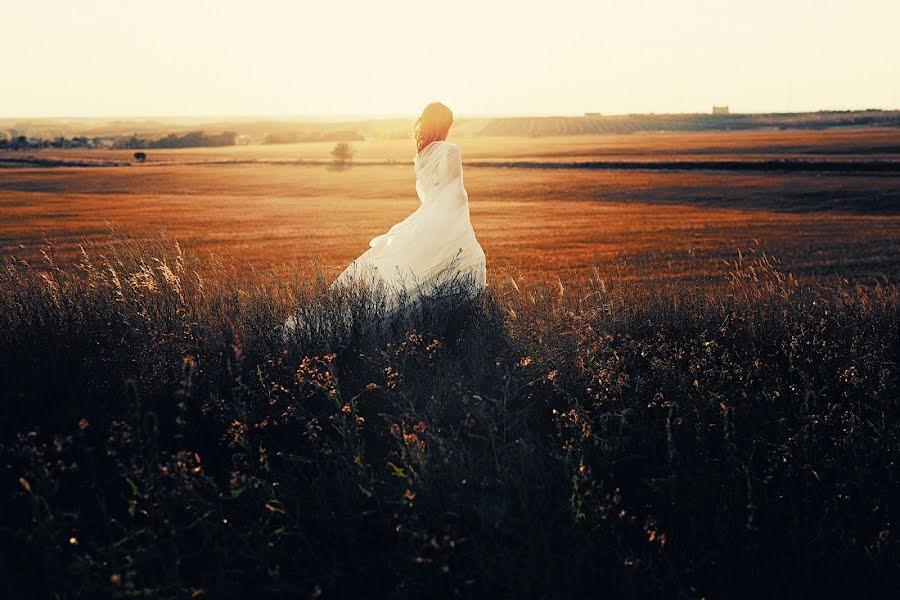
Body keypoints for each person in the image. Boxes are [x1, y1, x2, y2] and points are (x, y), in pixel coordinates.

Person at [283, 102, 486, 338]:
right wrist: (458, 214)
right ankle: (450, 327)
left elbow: (428, 193)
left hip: (430, 213)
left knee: (418, 268)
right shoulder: (450, 150)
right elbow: (453, 190)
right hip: (448, 216)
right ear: (445, 124)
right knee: (459, 263)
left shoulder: (421, 154)